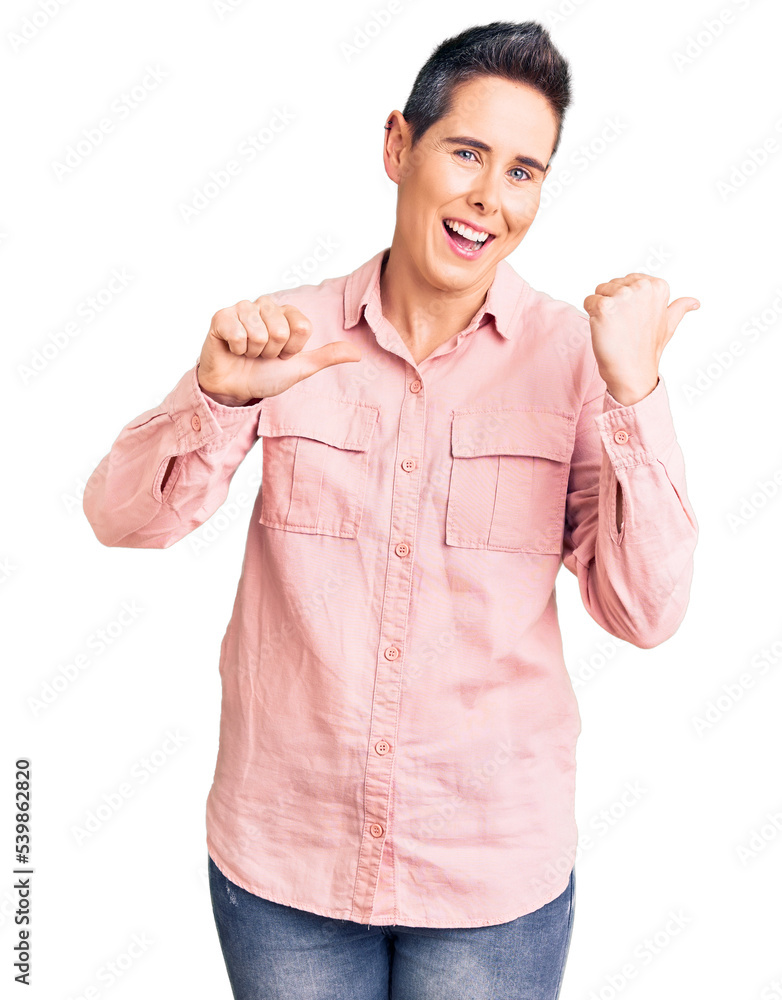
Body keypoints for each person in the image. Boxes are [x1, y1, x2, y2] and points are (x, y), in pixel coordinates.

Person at [83, 19, 699, 1000]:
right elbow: (120, 518)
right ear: (396, 147)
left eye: (522, 172)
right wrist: (217, 398)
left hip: (489, 876)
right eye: (465, 153)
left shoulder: (574, 361)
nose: (487, 200)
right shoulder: (281, 337)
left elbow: (645, 611)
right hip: (287, 859)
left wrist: (633, 399)